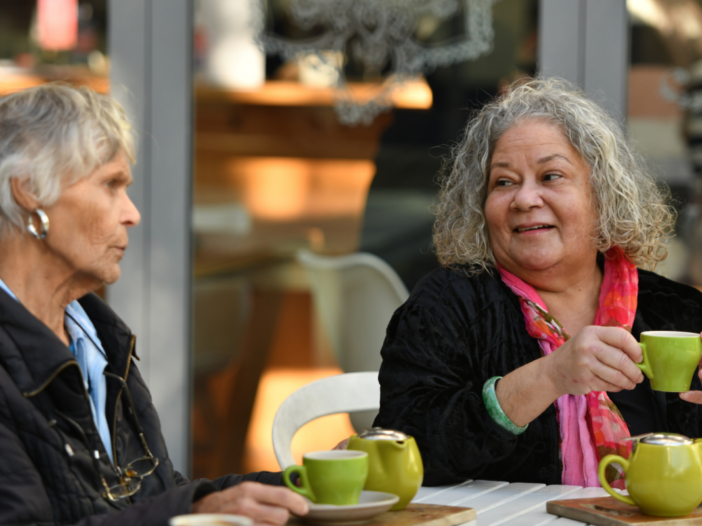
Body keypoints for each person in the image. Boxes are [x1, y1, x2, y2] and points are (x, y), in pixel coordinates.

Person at [0, 84, 308, 525]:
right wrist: (185, 512)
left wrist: (307, 486)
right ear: (29, 192)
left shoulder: (98, 338)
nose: (132, 213)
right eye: (111, 185)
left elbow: (156, 497)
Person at [373, 78, 702, 488]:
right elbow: (402, 448)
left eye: (550, 176)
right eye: (504, 182)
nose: (525, 199)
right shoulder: (446, 305)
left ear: (602, 198)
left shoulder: (679, 313)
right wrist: (549, 377)